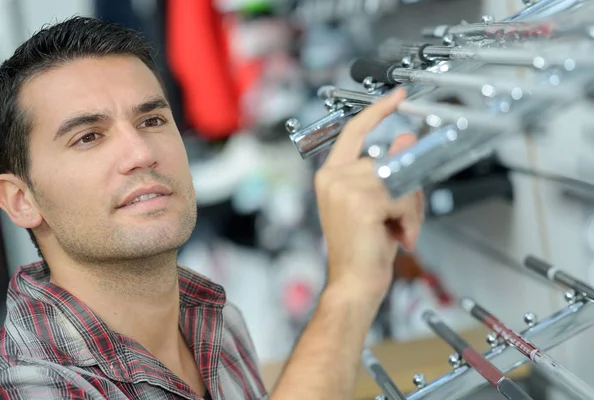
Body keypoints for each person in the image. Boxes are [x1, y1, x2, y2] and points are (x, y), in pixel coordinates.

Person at [0, 16, 422, 400]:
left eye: (152, 121)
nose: (141, 152)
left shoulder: (215, 321)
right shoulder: (32, 385)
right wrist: (349, 286)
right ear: (21, 201)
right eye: (88, 137)